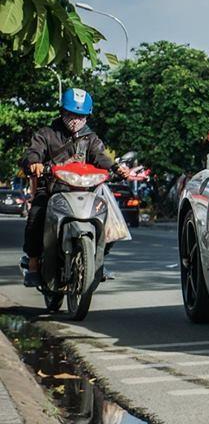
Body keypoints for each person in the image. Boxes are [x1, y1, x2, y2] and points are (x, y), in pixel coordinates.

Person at [21, 88, 129, 287]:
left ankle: (97, 262)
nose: (75, 120)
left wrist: (116, 168)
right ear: (62, 112)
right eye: (71, 114)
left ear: (87, 116)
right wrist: (35, 162)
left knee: (110, 218)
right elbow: (33, 152)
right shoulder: (46, 134)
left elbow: (101, 157)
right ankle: (34, 264)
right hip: (53, 189)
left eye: (80, 116)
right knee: (37, 215)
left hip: (83, 191)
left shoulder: (91, 139)